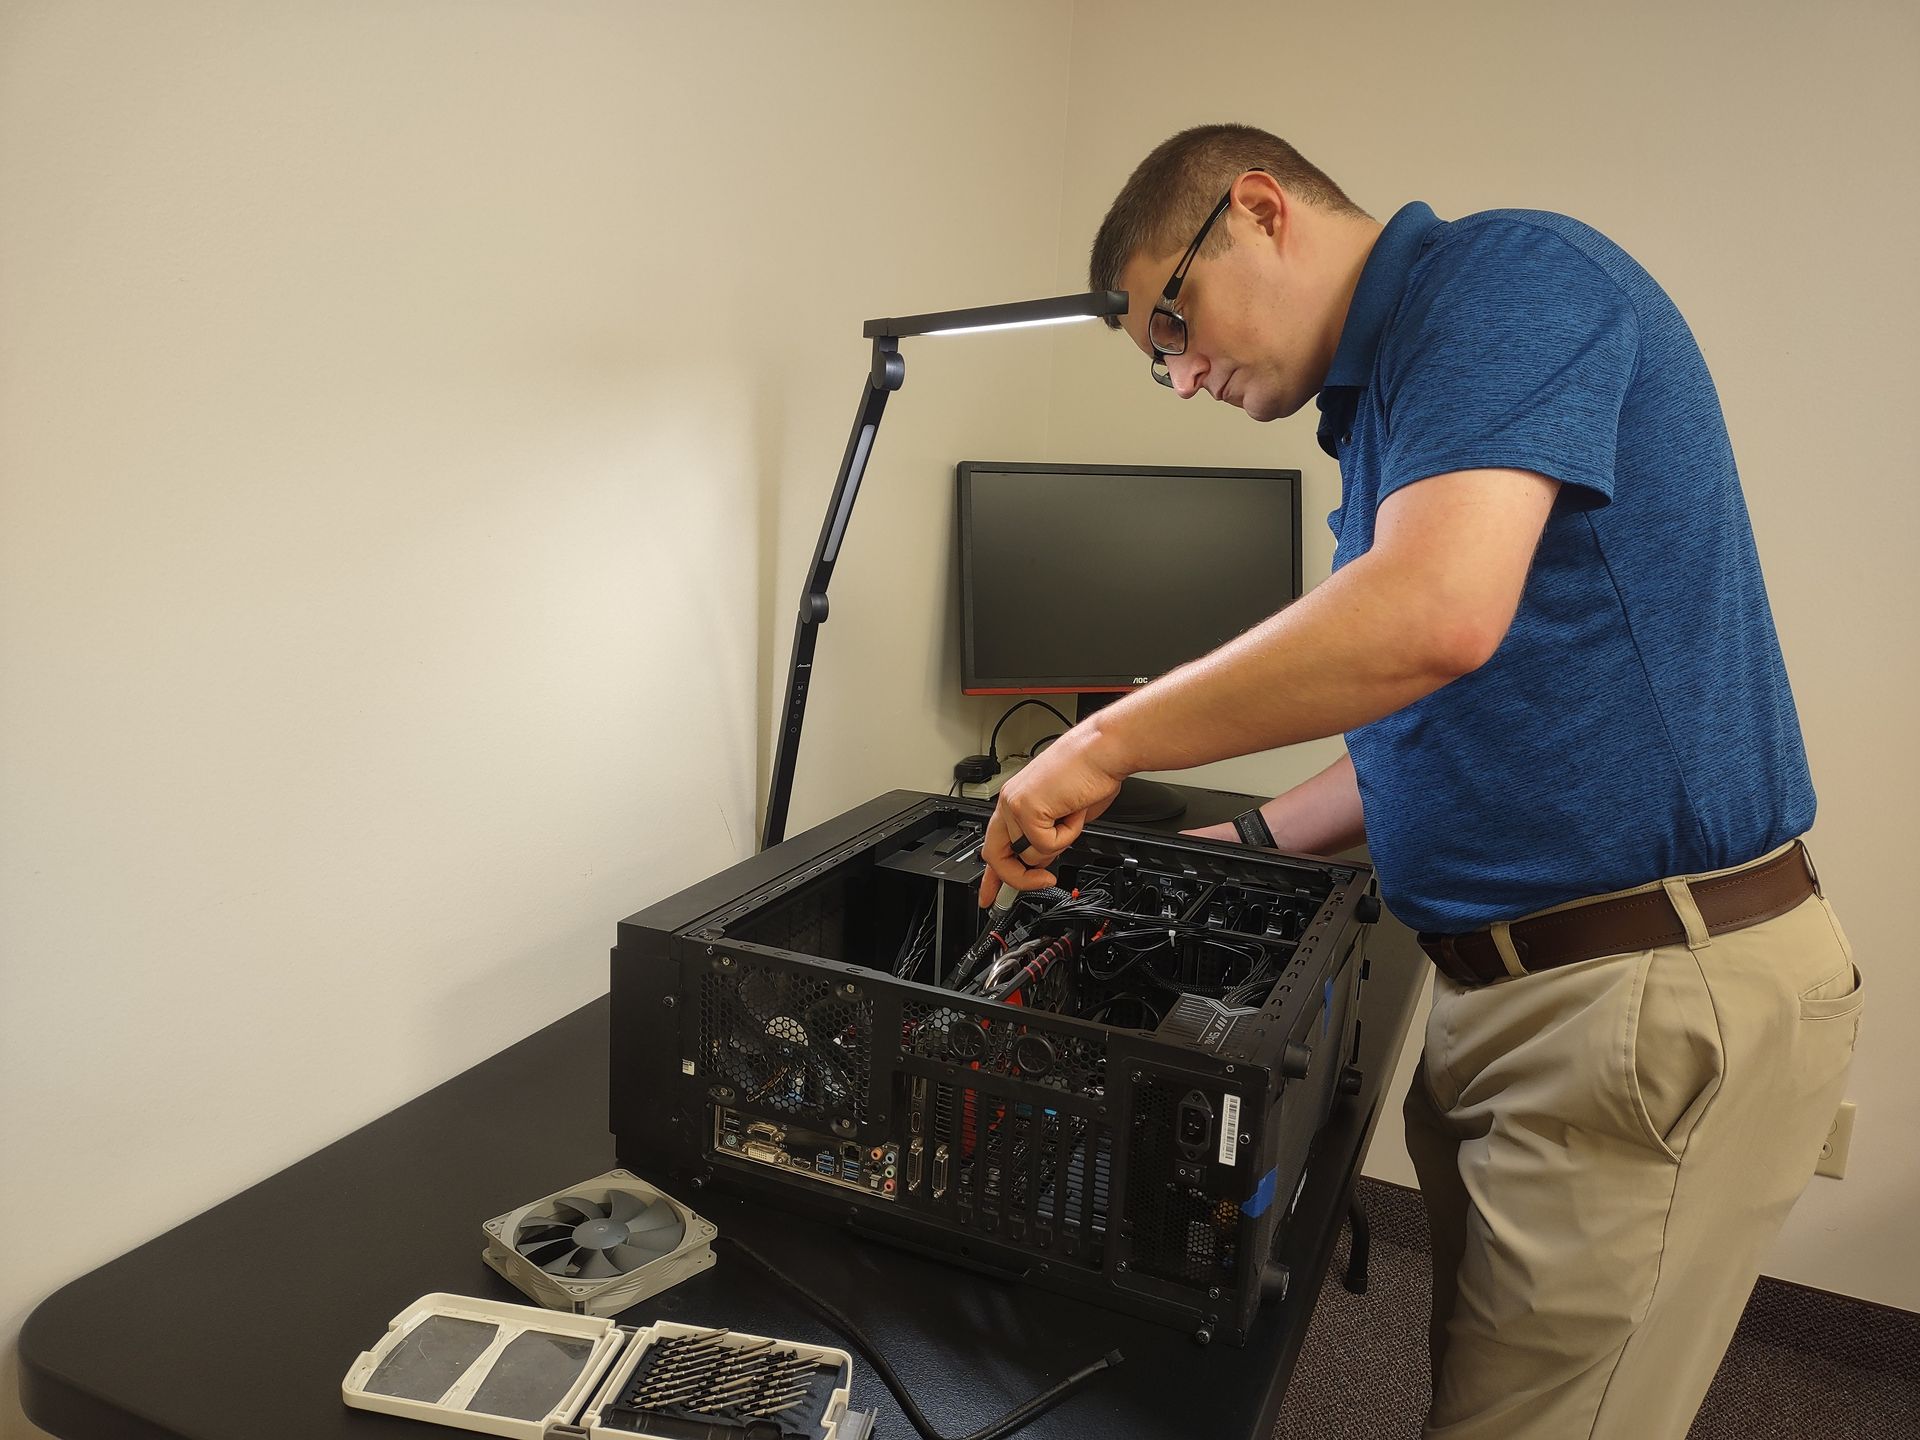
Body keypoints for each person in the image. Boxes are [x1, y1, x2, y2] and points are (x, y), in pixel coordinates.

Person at [974, 123, 1863, 1439]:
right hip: (1513, 991)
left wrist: (1101, 742)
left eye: (1175, 318)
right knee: (1488, 1387)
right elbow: (1434, 721)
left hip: (1635, 993)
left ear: (1263, 210)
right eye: (1158, 359)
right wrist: (1243, 839)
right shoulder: (1388, 415)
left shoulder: (1505, 282)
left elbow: (1431, 618)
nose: (1181, 374)